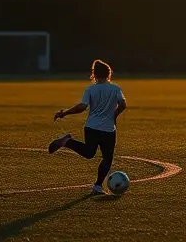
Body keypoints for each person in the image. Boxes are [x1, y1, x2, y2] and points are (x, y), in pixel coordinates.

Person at [48, 59, 127, 194]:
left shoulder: (90, 89)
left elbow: (82, 107)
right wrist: (114, 115)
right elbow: (123, 104)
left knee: (89, 153)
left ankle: (68, 142)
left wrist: (65, 113)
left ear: (94, 74)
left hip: (91, 127)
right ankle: (97, 186)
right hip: (108, 129)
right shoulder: (115, 89)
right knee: (107, 158)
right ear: (109, 73)